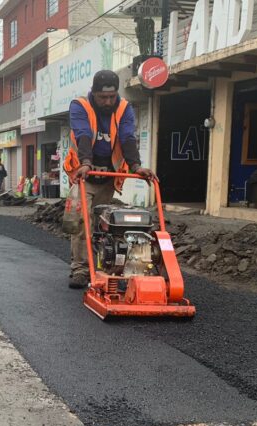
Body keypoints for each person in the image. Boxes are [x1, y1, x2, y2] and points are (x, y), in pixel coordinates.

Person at [63, 69, 155, 289]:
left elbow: (126, 137)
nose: (108, 101)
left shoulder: (124, 108)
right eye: (103, 97)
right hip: (83, 176)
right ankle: (80, 269)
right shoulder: (80, 106)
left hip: (107, 177)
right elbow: (83, 133)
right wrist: (85, 162)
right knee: (80, 220)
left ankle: (108, 261)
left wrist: (136, 166)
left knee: (105, 223)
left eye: (112, 96)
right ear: (93, 93)